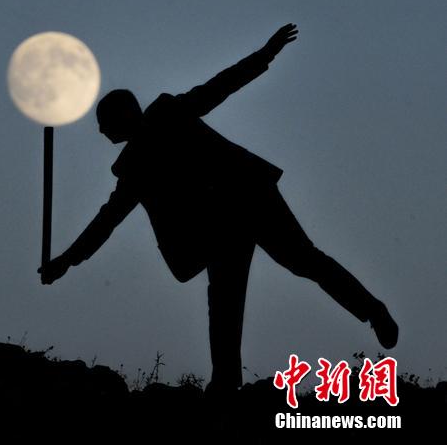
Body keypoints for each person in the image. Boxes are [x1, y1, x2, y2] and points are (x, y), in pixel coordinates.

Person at [38, 24, 398, 394]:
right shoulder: (134, 167)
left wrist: (265, 55)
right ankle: (227, 381)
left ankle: (372, 311)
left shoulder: (163, 121)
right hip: (224, 225)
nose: (99, 132)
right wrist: (66, 261)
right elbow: (106, 222)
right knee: (235, 295)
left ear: (122, 117)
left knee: (298, 263)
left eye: (103, 123)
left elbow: (217, 89)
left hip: (247, 199)